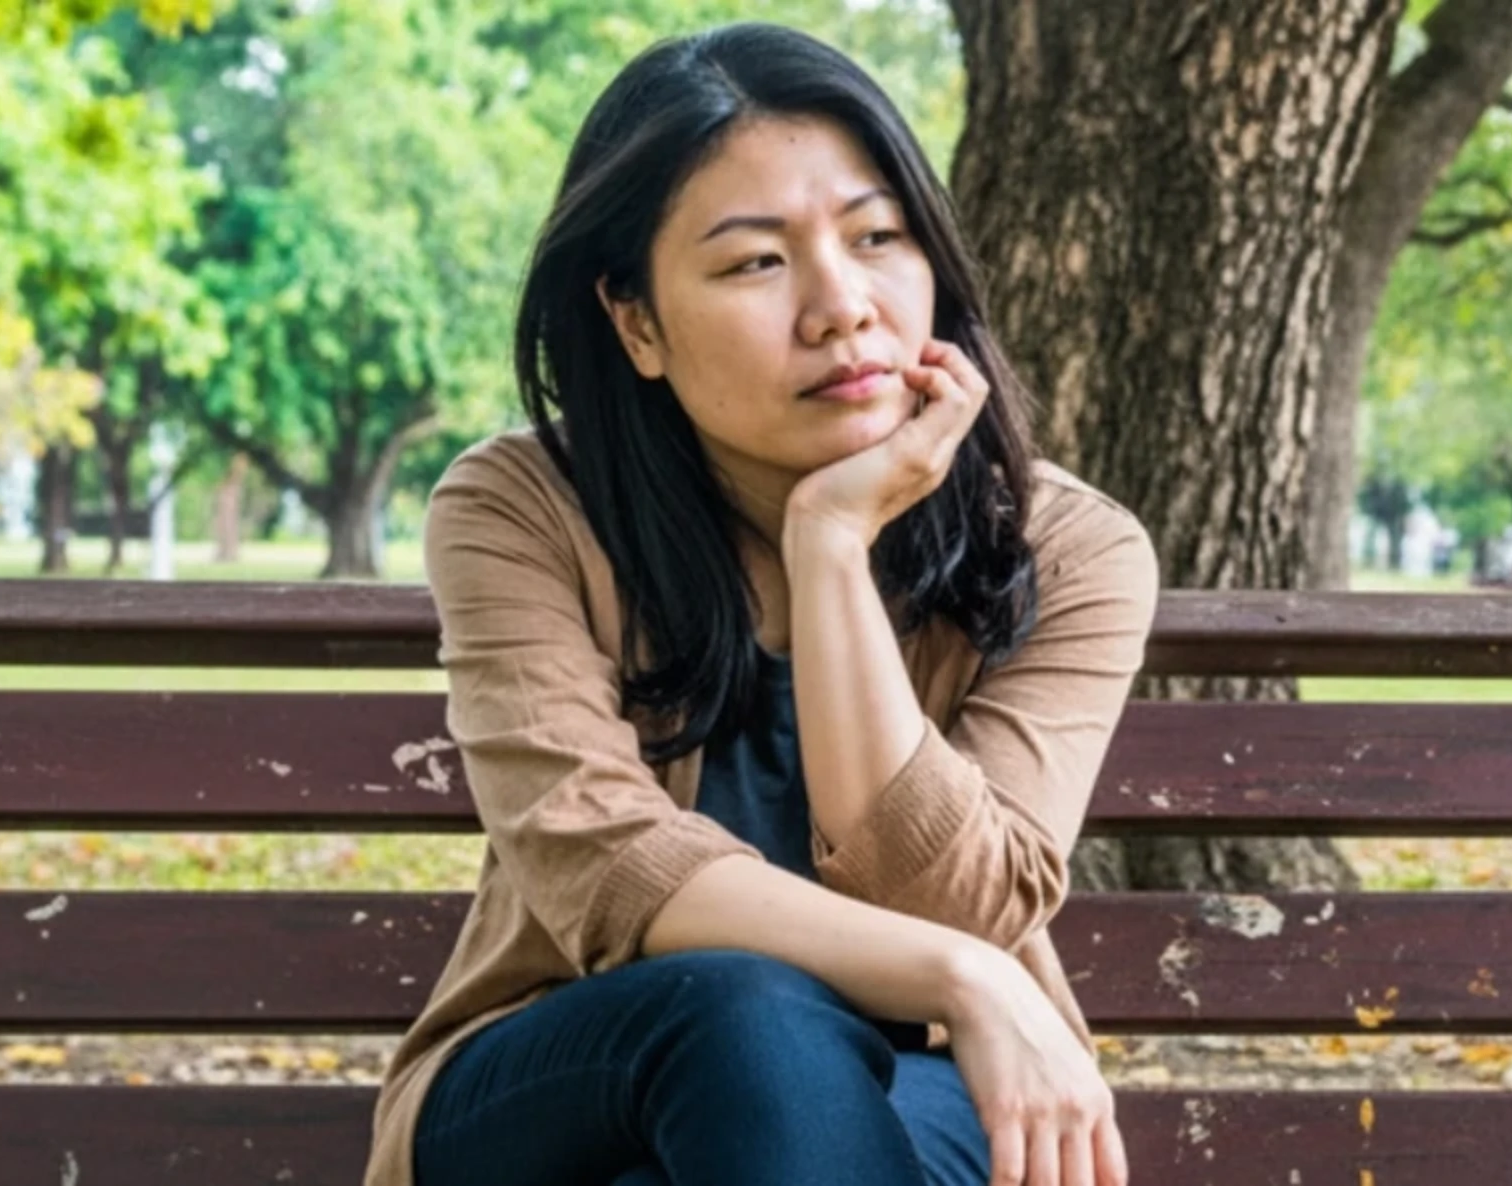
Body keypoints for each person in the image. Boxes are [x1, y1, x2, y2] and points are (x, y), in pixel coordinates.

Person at [376, 24, 1153, 1186]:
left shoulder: (1070, 547)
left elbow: (957, 900)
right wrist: (962, 977)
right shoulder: (521, 509)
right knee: (748, 1011)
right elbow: (606, 864)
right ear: (636, 322)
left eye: (877, 237)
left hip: (929, 1083)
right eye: (756, 262)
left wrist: (834, 546)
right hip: (573, 1068)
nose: (842, 306)